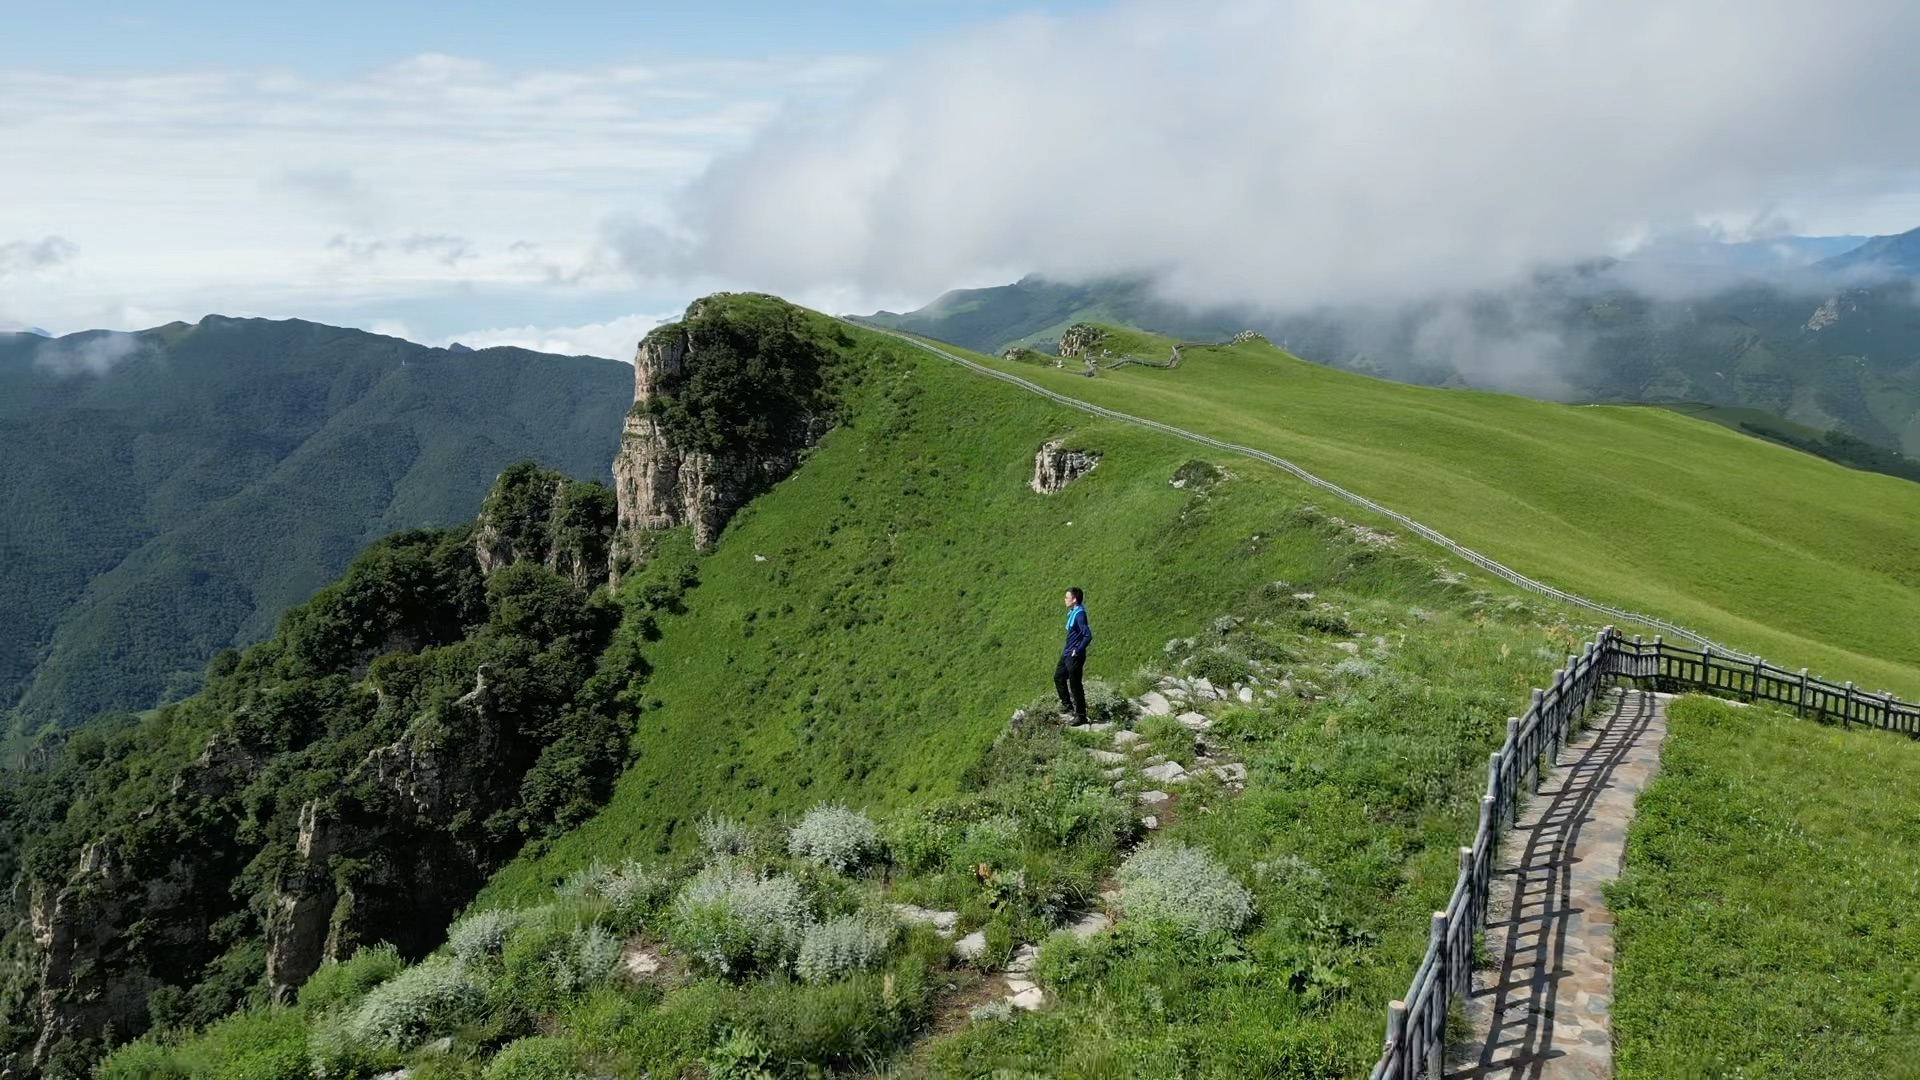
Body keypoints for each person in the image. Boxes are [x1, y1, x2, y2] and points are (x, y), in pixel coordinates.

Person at [1055, 587, 1093, 723]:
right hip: (1067, 653)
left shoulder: (1080, 615)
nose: (1065, 600)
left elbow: (1087, 636)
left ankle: (1081, 715)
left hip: (1074, 655)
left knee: (1075, 684)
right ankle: (1068, 707)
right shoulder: (1073, 612)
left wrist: (1078, 650)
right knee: (1058, 677)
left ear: (1074, 599)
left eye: (1067, 597)